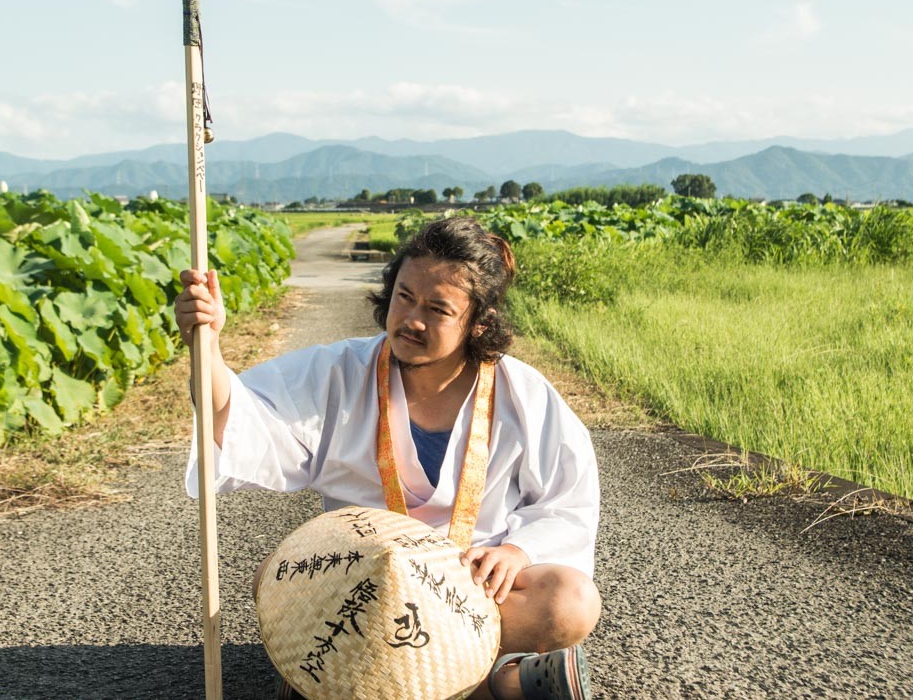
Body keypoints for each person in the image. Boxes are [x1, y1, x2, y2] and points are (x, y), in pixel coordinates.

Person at [176, 216, 602, 700]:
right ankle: (500, 687)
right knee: (274, 577)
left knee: (571, 603)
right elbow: (238, 413)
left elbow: (568, 505)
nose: (411, 320)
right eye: (404, 296)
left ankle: (338, 677)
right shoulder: (338, 372)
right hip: (362, 580)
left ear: (479, 322)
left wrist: (516, 551)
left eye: (438, 309)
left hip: (467, 590)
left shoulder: (523, 394)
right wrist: (206, 346)